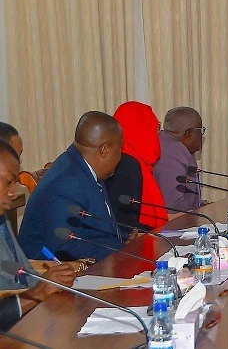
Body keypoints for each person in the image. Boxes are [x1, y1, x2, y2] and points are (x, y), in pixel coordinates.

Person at [18, 112, 124, 261]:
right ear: (105, 149)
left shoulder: (84, 167)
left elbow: (96, 231)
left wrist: (124, 241)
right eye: (120, 149)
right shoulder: (66, 182)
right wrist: (121, 249)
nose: (120, 156)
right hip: (50, 274)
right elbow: (64, 246)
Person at [0, 139, 76, 331]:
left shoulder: (2, 219)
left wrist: (50, 282)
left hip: (27, 323)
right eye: (8, 182)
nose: (13, 192)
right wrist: (37, 293)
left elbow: (19, 271)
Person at [105, 101, 168, 236]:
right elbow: (125, 224)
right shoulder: (126, 164)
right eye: (155, 128)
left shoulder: (133, 160)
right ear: (140, 129)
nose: (157, 134)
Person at [153, 107, 204, 211]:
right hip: (175, 224)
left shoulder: (178, 147)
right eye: (201, 130)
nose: (202, 135)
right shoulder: (170, 157)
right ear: (189, 133)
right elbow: (174, 207)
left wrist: (202, 205)